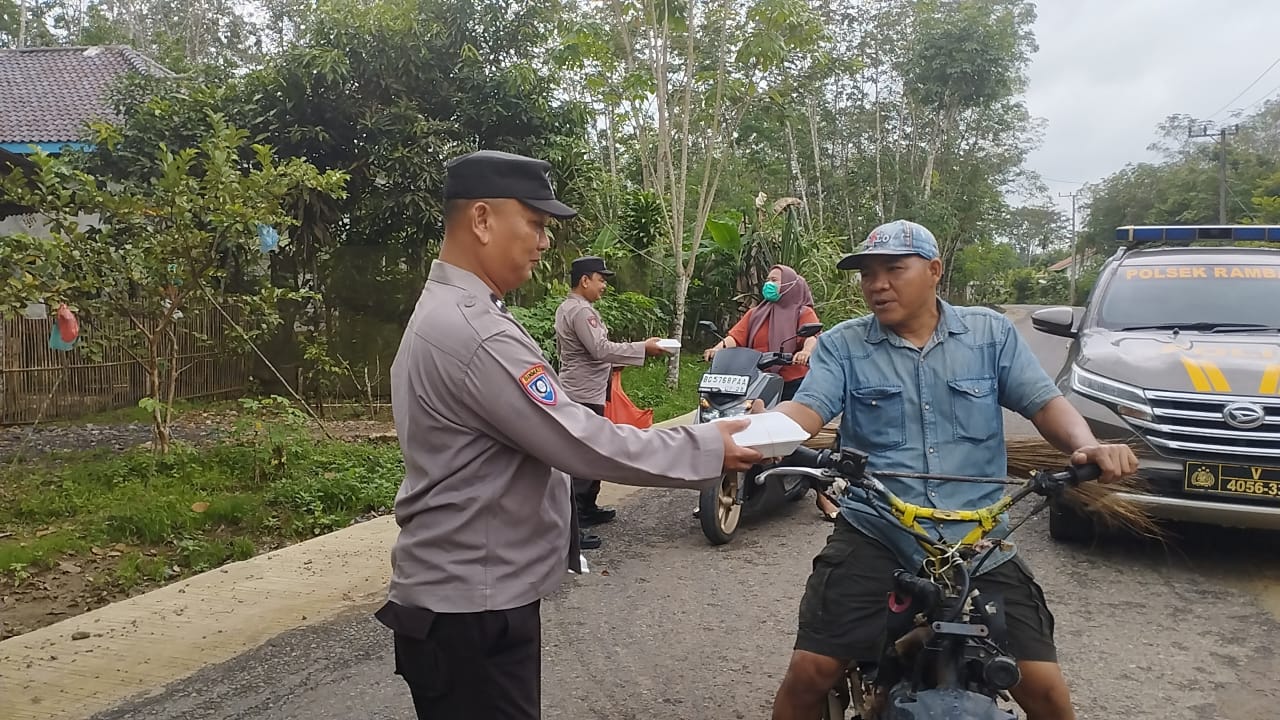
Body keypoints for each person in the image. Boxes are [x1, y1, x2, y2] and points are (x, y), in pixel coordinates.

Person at [375, 148, 763, 720]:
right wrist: (709, 445)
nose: (544, 240)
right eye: (534, 223)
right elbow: (584, 440)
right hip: (472, 611)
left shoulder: (454, 311)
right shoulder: (475, 330)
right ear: (481, 220)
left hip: (465, 601)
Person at [766, 219, 1139, 720]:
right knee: (809, 674)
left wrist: (1087, 445)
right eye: (867, 274)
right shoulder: (843, 344)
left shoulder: (989, 333)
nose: (877, 284)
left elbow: (1043, 402)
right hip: (879, 531)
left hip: (979, 541)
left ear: (934, 271)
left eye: (893, 269)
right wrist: (755, 433)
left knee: (1048, 692)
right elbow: (807, 409)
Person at [702, 264, 840, 520]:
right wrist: (717, 348)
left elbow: (812, 337)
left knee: (790, 438)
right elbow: (735, 337)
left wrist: (806, 351)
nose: (769, 284)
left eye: (774, 280)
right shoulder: (756, 313)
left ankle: (823, 495)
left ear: (789, 285)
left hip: (792, 382)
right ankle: (720, 490)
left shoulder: (802, 311)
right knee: (739, 426)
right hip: (758, 380)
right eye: (768, 279)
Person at [555, 255, 670, 547]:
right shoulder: (582, 312)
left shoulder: (568, 307)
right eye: (600, 279)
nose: (604, 285)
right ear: (585, 281)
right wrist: (643, 348)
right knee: (583, 458)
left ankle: (587, 508)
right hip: (583, 394)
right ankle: (573, 525)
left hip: (583, 389)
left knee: (594, 452)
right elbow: (600, 349)